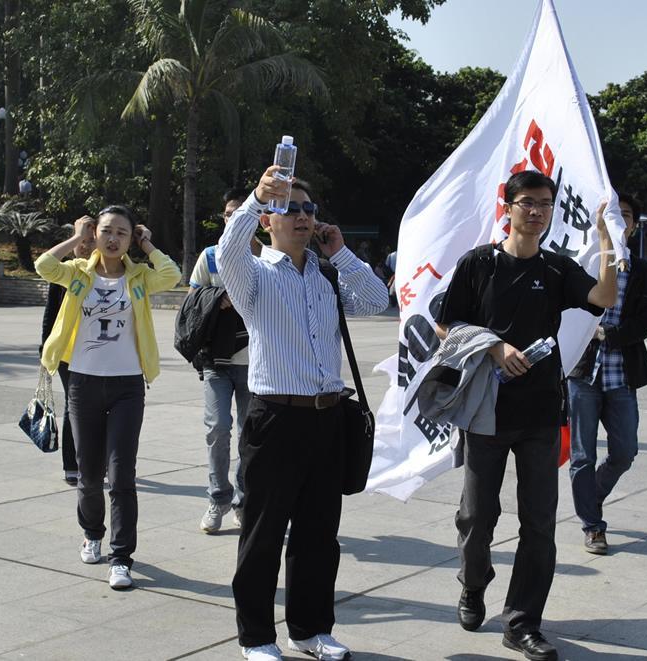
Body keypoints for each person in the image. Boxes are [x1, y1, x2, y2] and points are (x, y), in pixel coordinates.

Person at [434, 170, 618, 661]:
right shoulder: (479, 264)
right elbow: (445, 325)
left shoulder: (558, 270)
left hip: (540, 413)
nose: (536, 211)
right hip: (486, 411)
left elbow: (603, 299)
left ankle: (522, 622)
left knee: (539, 523)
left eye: (544, 204)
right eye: (527, 202)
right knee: (478, 516)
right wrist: (495, 347)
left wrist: (606, 246)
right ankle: (473, 585)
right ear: (508, 206)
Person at [217, 167, 388, 661]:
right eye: (290, 208)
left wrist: (340, 251)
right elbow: (229, 249)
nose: (302, 217)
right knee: (263, 534)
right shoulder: (253, 275)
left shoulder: (328, 277)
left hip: (327, 418)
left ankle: (310, 630)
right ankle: (256, 637)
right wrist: (255, 197)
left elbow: (378, 301)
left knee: (318, 534)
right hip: (275, 419)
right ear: (268, 221)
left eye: (309, 209)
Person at [35, 205, 180, 590]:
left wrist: (149, 245)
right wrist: (75, 239)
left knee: (122, 476)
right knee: (88, 473)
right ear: (95, 235)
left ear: (131, 239)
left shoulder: (138, 278)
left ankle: (121, 557)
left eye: (122, 232)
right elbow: (44, 266)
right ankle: (92, 533)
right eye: (105, 231)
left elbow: (172, 274)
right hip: (83, 384)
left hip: (128, 387)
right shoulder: (79, 274)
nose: (113, 238)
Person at [566, 193, 647, 556]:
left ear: (634, 225)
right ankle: (592, 525)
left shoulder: (645, 273)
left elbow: (645, 323)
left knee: (625, 451)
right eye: (612, 216)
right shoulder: (584, 266)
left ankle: (590, 498)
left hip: (622, 375)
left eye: (625, 216)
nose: (619, 221)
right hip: (582, 374)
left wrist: (607, 333)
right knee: (582, 456)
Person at [189, 187, 261, 533]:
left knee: (250, 435)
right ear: (224, 217)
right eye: (230, 213)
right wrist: (218, 299)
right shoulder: (211, 256)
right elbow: (191, 302)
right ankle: (217, 498)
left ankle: (244, 500)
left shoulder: (267, 256)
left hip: (256, 363)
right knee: (218, 429)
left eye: (242, 213)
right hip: (216, 361)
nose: (235, 218)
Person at [40, 225, 97, 485]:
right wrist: (45, 350)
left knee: (97, 408)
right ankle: (71, 464)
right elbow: (50, 313)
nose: (85, 245)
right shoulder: (66, 271)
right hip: (67, 354)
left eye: (90, 240)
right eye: (81, 240)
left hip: (97, 351)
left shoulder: (107, 273)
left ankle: (95, 461)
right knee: (74, 405)